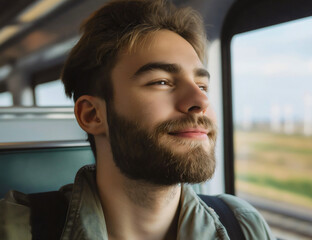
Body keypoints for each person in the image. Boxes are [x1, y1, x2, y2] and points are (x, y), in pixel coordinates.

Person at [0, 0, 275, 239]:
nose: (201, 102)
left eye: (202, 86)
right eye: (162, 81)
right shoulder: (17, 229)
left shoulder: (242, 225)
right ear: (93, 115)